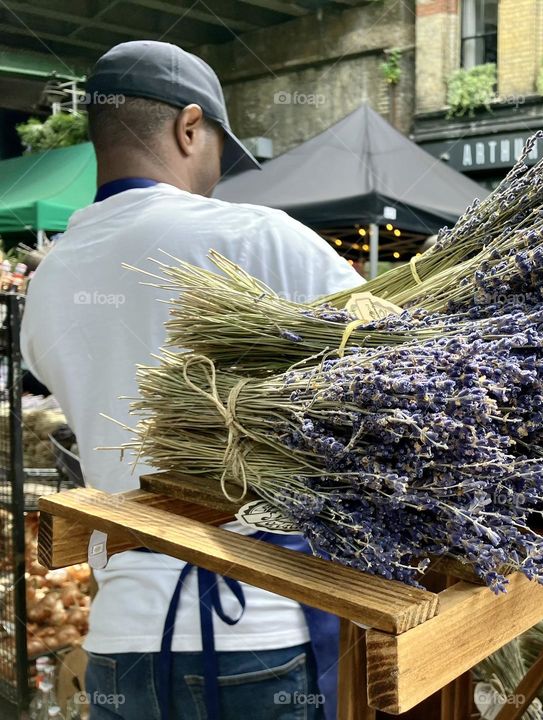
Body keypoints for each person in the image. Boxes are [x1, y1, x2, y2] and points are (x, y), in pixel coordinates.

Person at [21, 41, 363, 719]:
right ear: (187, 128)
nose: (216, 173)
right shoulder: (260, 239)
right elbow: (392, 360)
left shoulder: (49, 281)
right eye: (216, 149)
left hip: (123, 643)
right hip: (256, 635)